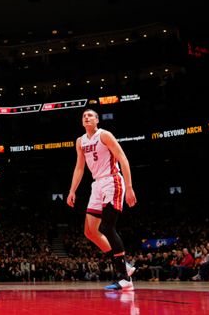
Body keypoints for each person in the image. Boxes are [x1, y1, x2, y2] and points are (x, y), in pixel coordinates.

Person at [67, 109, 137, 291]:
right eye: (84, 116)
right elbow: (79, 168)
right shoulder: (80, 141)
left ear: (97, 120)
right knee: (90, 231)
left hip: (112, 179)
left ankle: (124, 278)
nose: (87, 117)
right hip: (97, 184)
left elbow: (122, 158)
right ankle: (125, 266)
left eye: (90, 115)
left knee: (107, 226)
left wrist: (129, 187)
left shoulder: (104, 135)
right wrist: (72, 190)